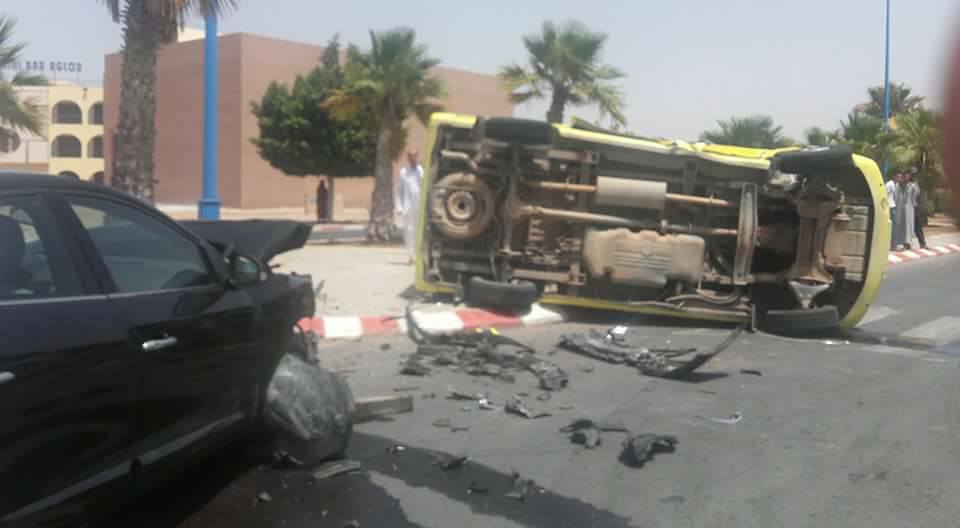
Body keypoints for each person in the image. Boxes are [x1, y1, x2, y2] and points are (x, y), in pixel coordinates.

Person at [396, 150, 424, 264]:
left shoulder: (422, 171)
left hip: (420, 206)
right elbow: (400, 190)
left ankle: (419, 255)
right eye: (411, 157)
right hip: (408, 206)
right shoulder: (403, 172)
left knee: (419, 231)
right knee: (408, 231)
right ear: (408, 158)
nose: (413, 159)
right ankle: (411, 255)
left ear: (417, 157)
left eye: (415, 156)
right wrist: (399, 207)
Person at [893, 172, 916, 250]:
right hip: (900, 210)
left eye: (907, 176)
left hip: (909, 210)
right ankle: (902, 243)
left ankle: (907, 243)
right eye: (905, 176)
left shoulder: (912, 186)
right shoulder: (897, 186)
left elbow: (916, 195)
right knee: (900, 226)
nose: (906, 178)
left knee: (908, 227)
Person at [907, 168, 927, 249]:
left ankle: (922, 243)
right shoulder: (907, 184)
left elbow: (918, 196)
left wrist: (920, 206)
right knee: (908, 226)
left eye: (915, 174)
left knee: (918, 226)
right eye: (912, 174)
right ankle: (907, 244)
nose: (914, 175)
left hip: (915, 207)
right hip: (908, 208)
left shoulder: (916, 184)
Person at [885, 173, 898, 250]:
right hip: (890, 206)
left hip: (891, 206)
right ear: (894, 176)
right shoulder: (890, 184)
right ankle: (893, 245)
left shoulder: (893, 184)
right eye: (898, 177)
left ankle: (893, 245)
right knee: (894, 226)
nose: (899, 179)